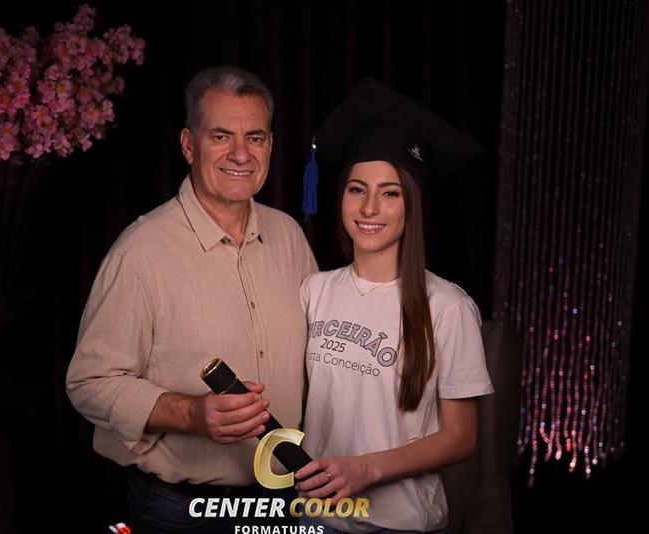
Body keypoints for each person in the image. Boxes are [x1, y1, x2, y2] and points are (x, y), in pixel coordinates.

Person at [66, 66, 317, 533]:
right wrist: (191, 414)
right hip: (182, 513)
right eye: (221, 136)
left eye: (255, 138)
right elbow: (89, 383)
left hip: (284, 502)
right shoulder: (139, 253)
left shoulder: (289, 237)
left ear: (270, 145)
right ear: (188, 144)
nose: (240, 154)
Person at [294, 78, 494, 533]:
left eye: (390, 192)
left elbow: (462, 438)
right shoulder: (314, 291)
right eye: (356, 189)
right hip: (316, 519)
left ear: (410, 205)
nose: (369, 208)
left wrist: (367, 469)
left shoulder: (448, 306)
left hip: (400, 523)